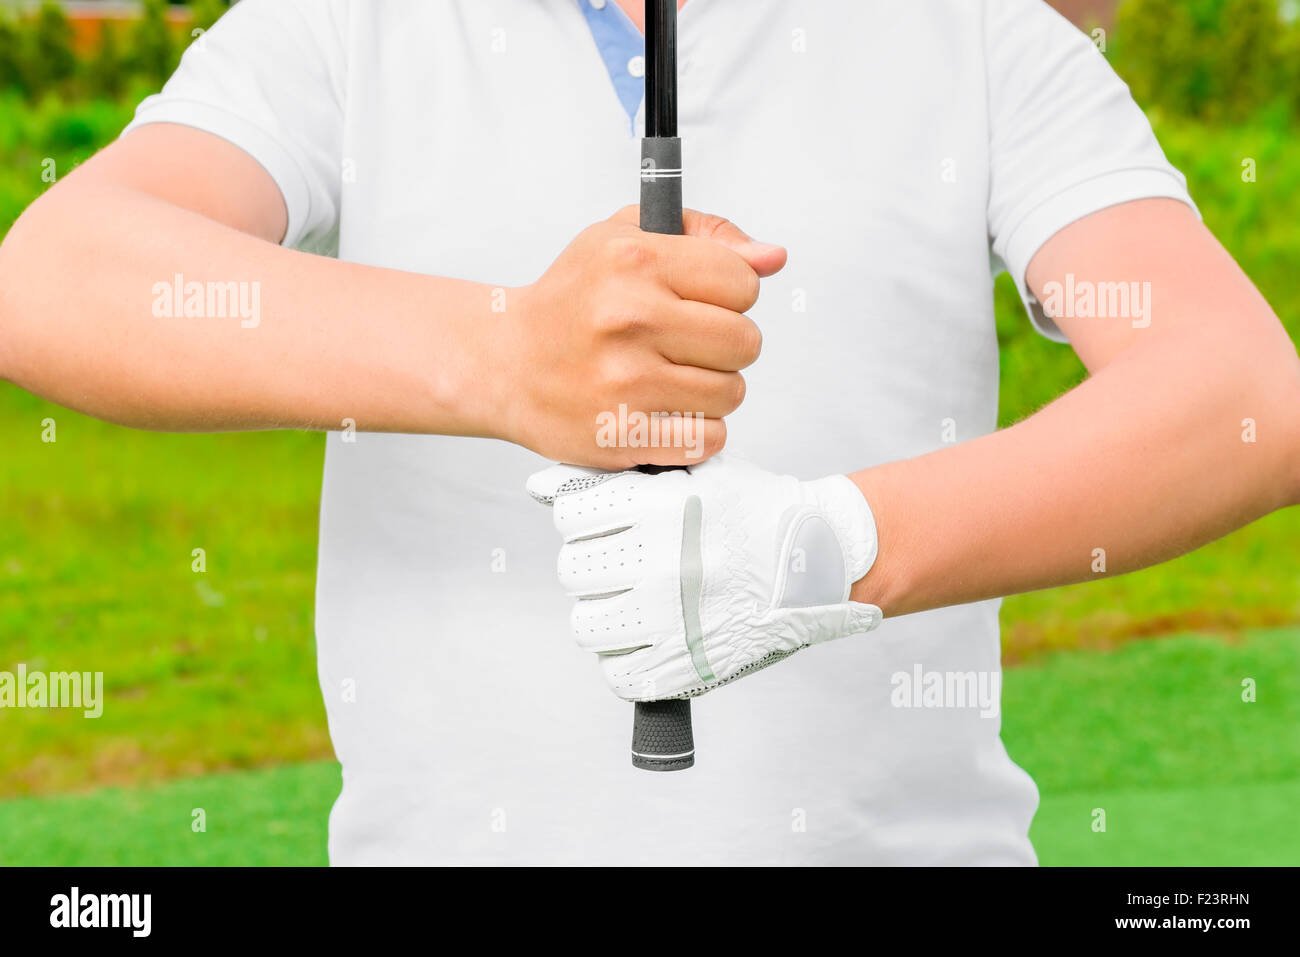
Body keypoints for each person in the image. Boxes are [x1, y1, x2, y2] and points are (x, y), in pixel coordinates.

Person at [0, 0, 1296, 865]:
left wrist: (828, 545)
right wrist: (503, 356)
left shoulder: (981, 32)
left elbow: (1242, 394)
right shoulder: (349, 23)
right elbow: (52, 280)